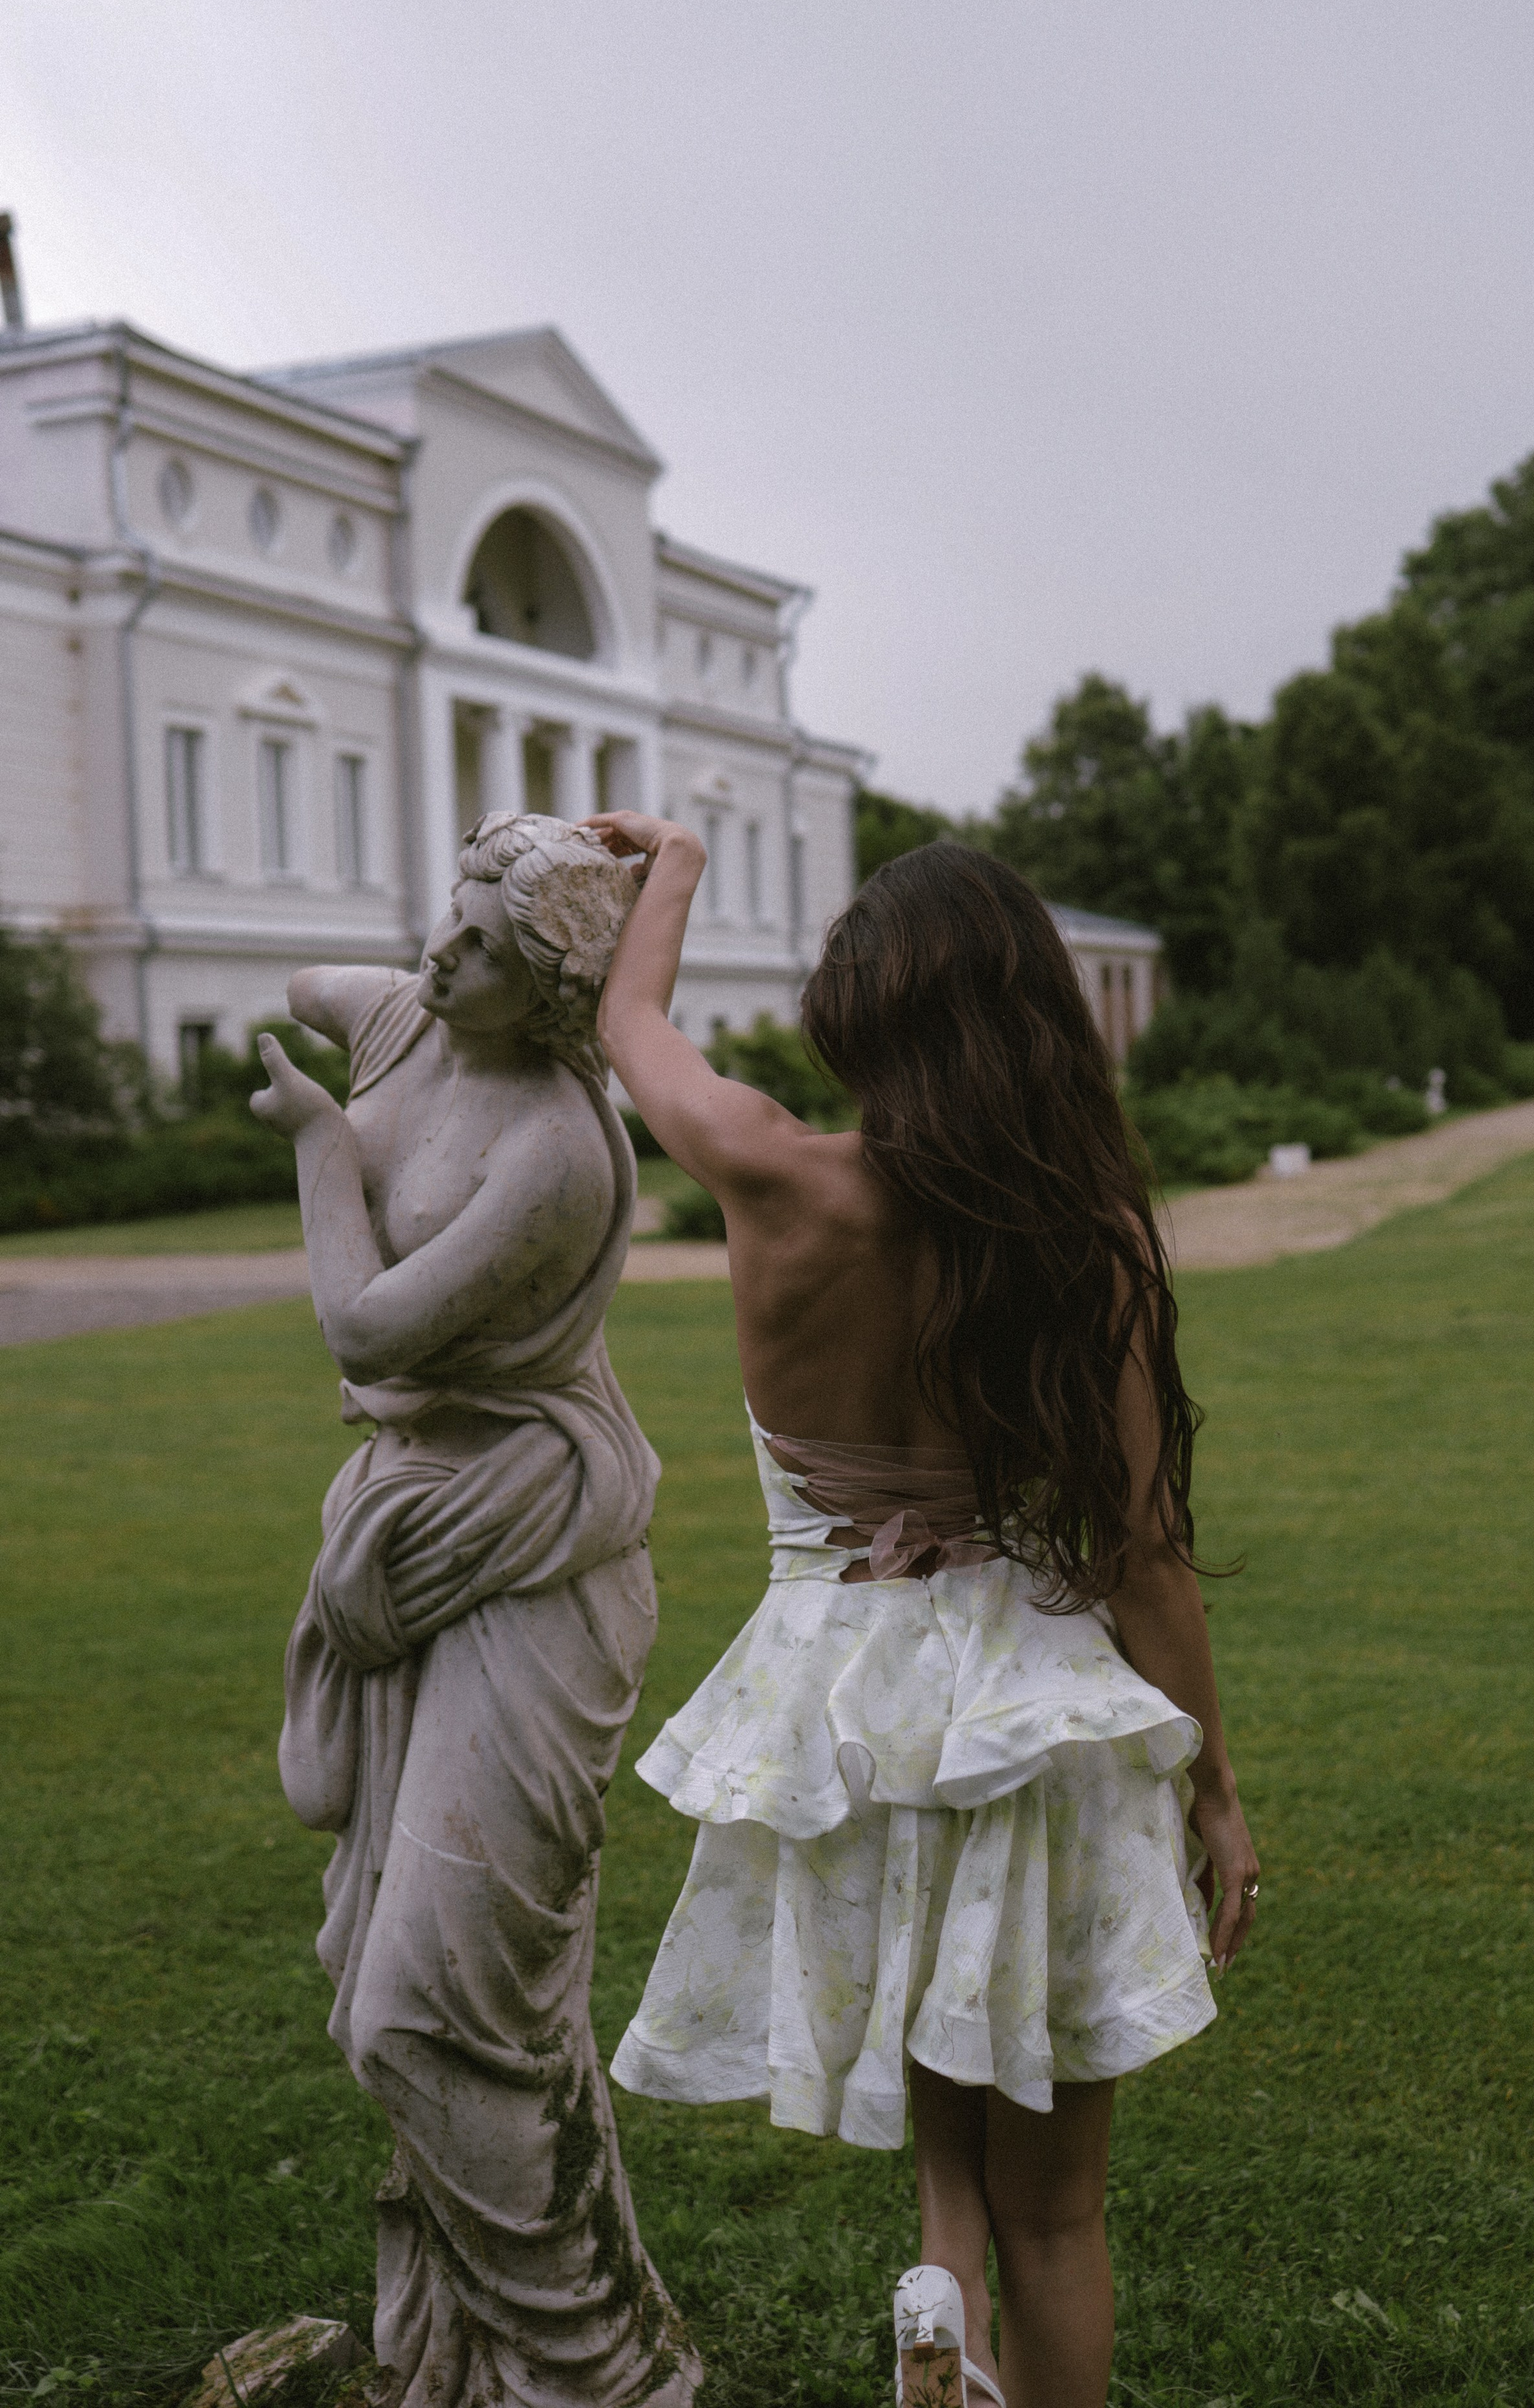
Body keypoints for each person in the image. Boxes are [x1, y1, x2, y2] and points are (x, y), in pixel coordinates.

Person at [590, 818, 1260, 2408]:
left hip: (835, 1718)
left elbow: (628, 1029)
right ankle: (975, 2328)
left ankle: (934, 2316)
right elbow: (1145, 1559)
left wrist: (671, 860)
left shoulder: (766, 1169)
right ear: (1025, 1019)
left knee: (946, 2149)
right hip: (1018, 1717)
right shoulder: (1068, 1245)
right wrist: (1212, 1791)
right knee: (1059, 2206)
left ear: (860, 1017)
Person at [251, 811, 699, 2408]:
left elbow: (368, 1333)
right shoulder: (408, 1018)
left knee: (433, 2012)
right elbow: (318, 977)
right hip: (415, 1528)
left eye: (488, 952)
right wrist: (513, 886)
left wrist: (319, 1145)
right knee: (459, 2006)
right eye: (447, 922)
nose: (445, 958)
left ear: (562, 998)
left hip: (533, 1546)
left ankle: (593, 2373)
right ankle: (507, 2354)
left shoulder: (559, 1152)